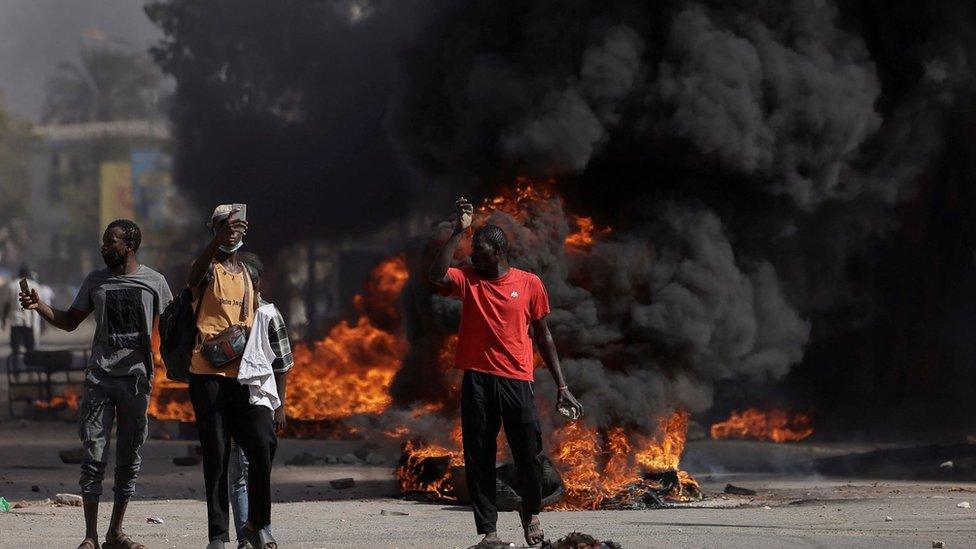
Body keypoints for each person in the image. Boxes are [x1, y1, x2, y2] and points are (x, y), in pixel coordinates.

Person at [429, 198, 584, 548]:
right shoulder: (468, 279)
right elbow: (435, 274)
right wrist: (459, 230)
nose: (472, 258)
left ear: (498, 252)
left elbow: (544, 335)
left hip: (516, 381)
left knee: (527, 455)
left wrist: (562, 386)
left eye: (479, 252)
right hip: (478, 381)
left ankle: (531, 514)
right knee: (478, 456)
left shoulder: (529, 284)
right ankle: (489, 533)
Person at [20, 219, 173, 549]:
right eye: (104, 242)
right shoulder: (95, 280)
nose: (104, 247)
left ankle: (114, 533)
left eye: (111, 242)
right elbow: (70, 321)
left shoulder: (155, 282)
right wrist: (39, 307)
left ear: (129, 246)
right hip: (99, 379)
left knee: (128, 459)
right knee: (94, 456)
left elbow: (175, 327)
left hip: (136, 381)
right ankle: (90, 535)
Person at [187, 205, 277, 549]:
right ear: (214, 229)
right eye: (224, 226)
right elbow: (193, 278)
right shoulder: (209, 270)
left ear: (245, 229)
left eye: (236, 226)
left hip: (244, 376)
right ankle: (218, 535)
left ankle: (257, 523)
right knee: (217, 454)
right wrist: (215, 242)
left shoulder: (249, 275)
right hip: (207, 375)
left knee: (262, 442)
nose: (231, 232)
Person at [228, 251, 292, 549]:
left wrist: (279, 405)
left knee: (257, 462)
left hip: (260, 400)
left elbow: (282, 364)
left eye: (250, 281)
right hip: (228, 397)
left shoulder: (268, 314)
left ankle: (260, 525)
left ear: (257, 283)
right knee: (237, 469)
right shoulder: (224, 312)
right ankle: (245, 535)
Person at [3, 266, 40, 353]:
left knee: (15, 347)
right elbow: (38, 304)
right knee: (30, 347)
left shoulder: (12, 285)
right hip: (29, 321)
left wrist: (4, 318)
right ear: (28, 274)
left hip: (15, 320)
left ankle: (16, 364)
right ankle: (29, 365)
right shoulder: (34, 285)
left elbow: (7, 303)